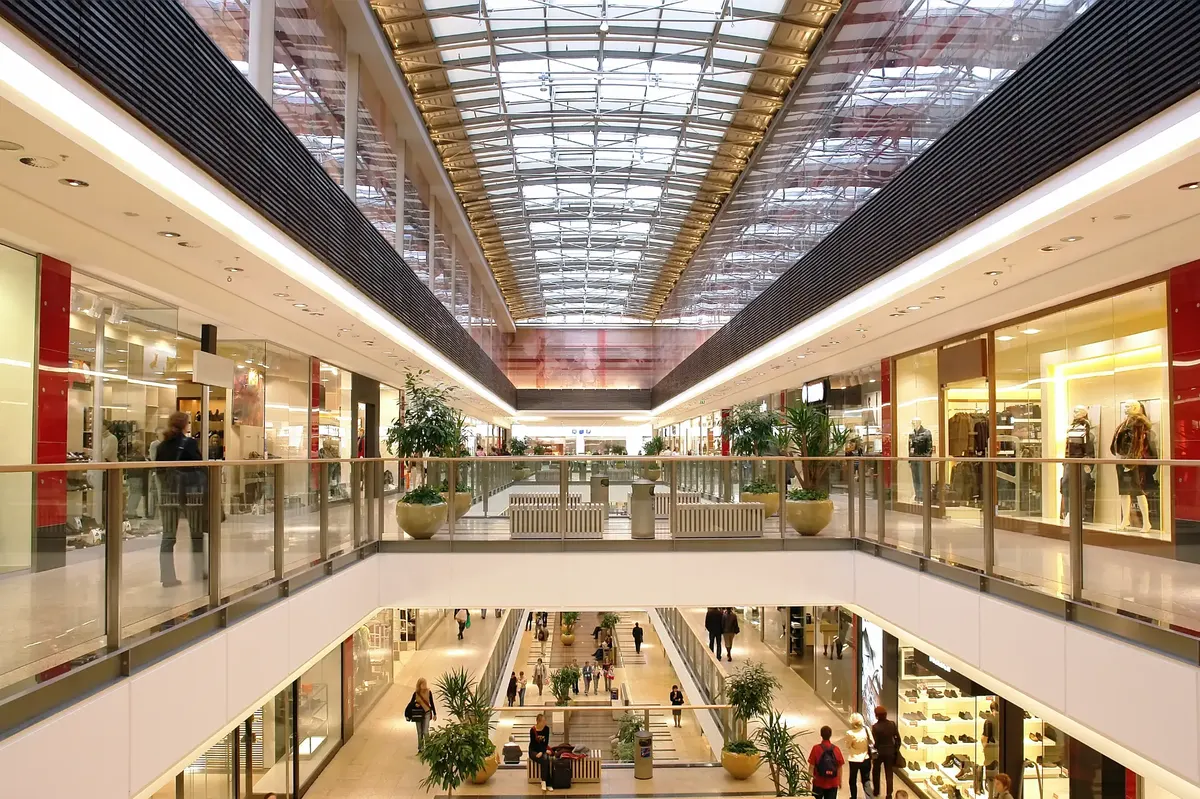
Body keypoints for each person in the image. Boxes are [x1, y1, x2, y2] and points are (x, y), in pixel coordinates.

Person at [155, 411, 205, 588]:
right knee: (196, 533)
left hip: (168, 494)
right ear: (185, 425)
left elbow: (158, 471)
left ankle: (167, 577)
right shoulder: (190, 443)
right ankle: (199, 571)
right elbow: (200, 466)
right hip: (190, 494)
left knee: (168, 536)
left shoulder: (161, 446)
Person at [871, 706, 900, 799]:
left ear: (876, 716)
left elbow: (876, 742)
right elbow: (898, 739)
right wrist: (895, 749)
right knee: (889, 774)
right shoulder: (892, 724)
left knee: (876, 771)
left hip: (879, 752)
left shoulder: (875, 727)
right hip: (890, 752)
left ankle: (876, 791)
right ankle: (889, 794)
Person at [808, 725, 845, 799]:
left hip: (818, 782)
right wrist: (839, 781)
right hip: (833, 782)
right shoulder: (836, 749)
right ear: (830, 735)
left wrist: (808, 781)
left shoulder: (816, 749)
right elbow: (839, 766)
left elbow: (811, 766)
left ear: (821, 735)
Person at [844, 713, 873, 799]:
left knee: (852, 780)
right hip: (866, 758)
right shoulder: (866, 729)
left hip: (854, 759)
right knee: (866, 780)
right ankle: (869, 797)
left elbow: (848, 745)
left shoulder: (850, 733)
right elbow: (872, 741)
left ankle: (854, 797)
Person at [407, 677, 437, 752]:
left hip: (427, 713)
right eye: (422, 684)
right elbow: (411, 704)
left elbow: (432, 703)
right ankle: (420, 748)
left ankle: (428, 748)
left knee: (425, 731)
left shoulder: (429, 692)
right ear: (419, 685)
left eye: (425, 684)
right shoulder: (416, 693)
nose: (424, 685)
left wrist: (434, 713)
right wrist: (415, 704)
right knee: (419, 732)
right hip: (418, 714)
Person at [530, 712, 553, 792]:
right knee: (545, 760)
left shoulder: (546, 729)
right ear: (538, 722)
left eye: (545, 721)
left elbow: (545, 743)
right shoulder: (533, 730)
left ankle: (544, 781)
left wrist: (542, 751)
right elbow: (533, 744)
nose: (544, 723)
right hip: (533, 750)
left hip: (542, 749)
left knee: (545, 759)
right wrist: (539, 752)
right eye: (543, 721)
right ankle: (547, 782)